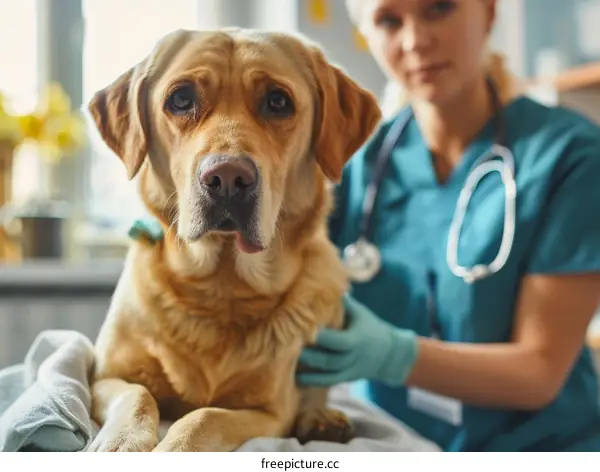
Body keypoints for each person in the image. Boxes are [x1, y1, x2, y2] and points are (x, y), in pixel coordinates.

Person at [296, 0, 600, 452]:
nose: (416, 41)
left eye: (439, 8)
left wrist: (393, 354)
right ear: (365, 32)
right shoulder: (356, 162)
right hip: (392, 444)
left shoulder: (569, 157)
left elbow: (540, 372)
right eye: (388, 20)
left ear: (490, 13)